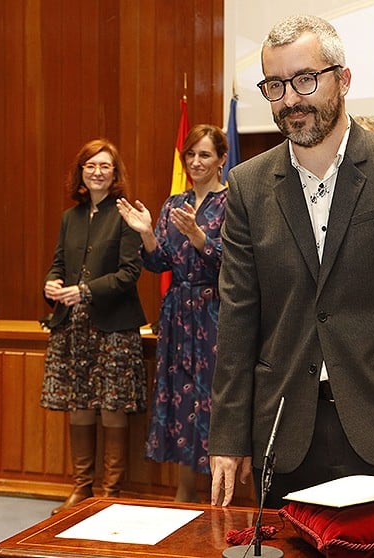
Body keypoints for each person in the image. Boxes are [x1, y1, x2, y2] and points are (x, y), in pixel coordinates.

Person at [209, 14, 374, 509]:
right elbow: (238, 319)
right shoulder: (247, 186)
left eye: (305, 79)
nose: (290, 100)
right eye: (275, 86)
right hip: (283, 434)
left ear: (343, 79)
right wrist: (229, 436)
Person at [116, 124, 229, 503]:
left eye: (205, 155)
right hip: (178, 315)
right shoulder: (172, 204)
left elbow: (235, 264)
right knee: (180, 399)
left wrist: (199, 236)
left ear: (221, 161)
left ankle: (220, 495)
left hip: (214, 313)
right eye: (191, 155)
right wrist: (147, 232)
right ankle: (184, 493)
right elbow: (160, 262)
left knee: (212, 399)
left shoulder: (232, 203)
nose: (196, 162)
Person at [41, 138, 147, 514]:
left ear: (115, 174)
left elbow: (129, 273)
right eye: (90, 166)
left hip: (114, 327)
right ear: (81, 173)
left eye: (105, 166)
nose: (98, 172)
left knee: (112, 406)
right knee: (79, 405)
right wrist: (51, 285)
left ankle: (110, 492)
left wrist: (83, 291)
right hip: (73, 326)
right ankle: (82, 487)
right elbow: (58, 263)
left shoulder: (125, 214)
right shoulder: (70, 217)